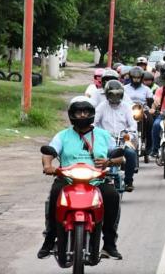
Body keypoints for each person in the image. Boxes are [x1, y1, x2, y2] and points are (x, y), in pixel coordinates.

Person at [38, 96, 123, 260]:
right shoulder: (62, 136)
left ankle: (110, 244)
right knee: (55, 195)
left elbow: (119, 156)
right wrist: (48, 166)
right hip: (67, 180)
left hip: (97, 180)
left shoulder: (104, 135)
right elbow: (49, 152)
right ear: (72, 115)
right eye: (78, 112)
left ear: (91, 114)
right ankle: (49, 239)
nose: (82, 115)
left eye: (85, 112)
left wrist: (109, 161)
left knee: (112, 196)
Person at [94, 81, 138, 192]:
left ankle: (129, 181)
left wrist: (129, 133)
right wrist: (98, 132)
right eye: (112, 94)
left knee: (131, 154)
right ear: (107, 94)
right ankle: (95, 179)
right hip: (105, 141)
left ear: (121, 94)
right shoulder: (101, 107)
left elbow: (133, 124)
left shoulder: (126, 107)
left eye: (117, 94)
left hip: (122, 140)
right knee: (95, 155)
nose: (114, 97)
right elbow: (93, 122)